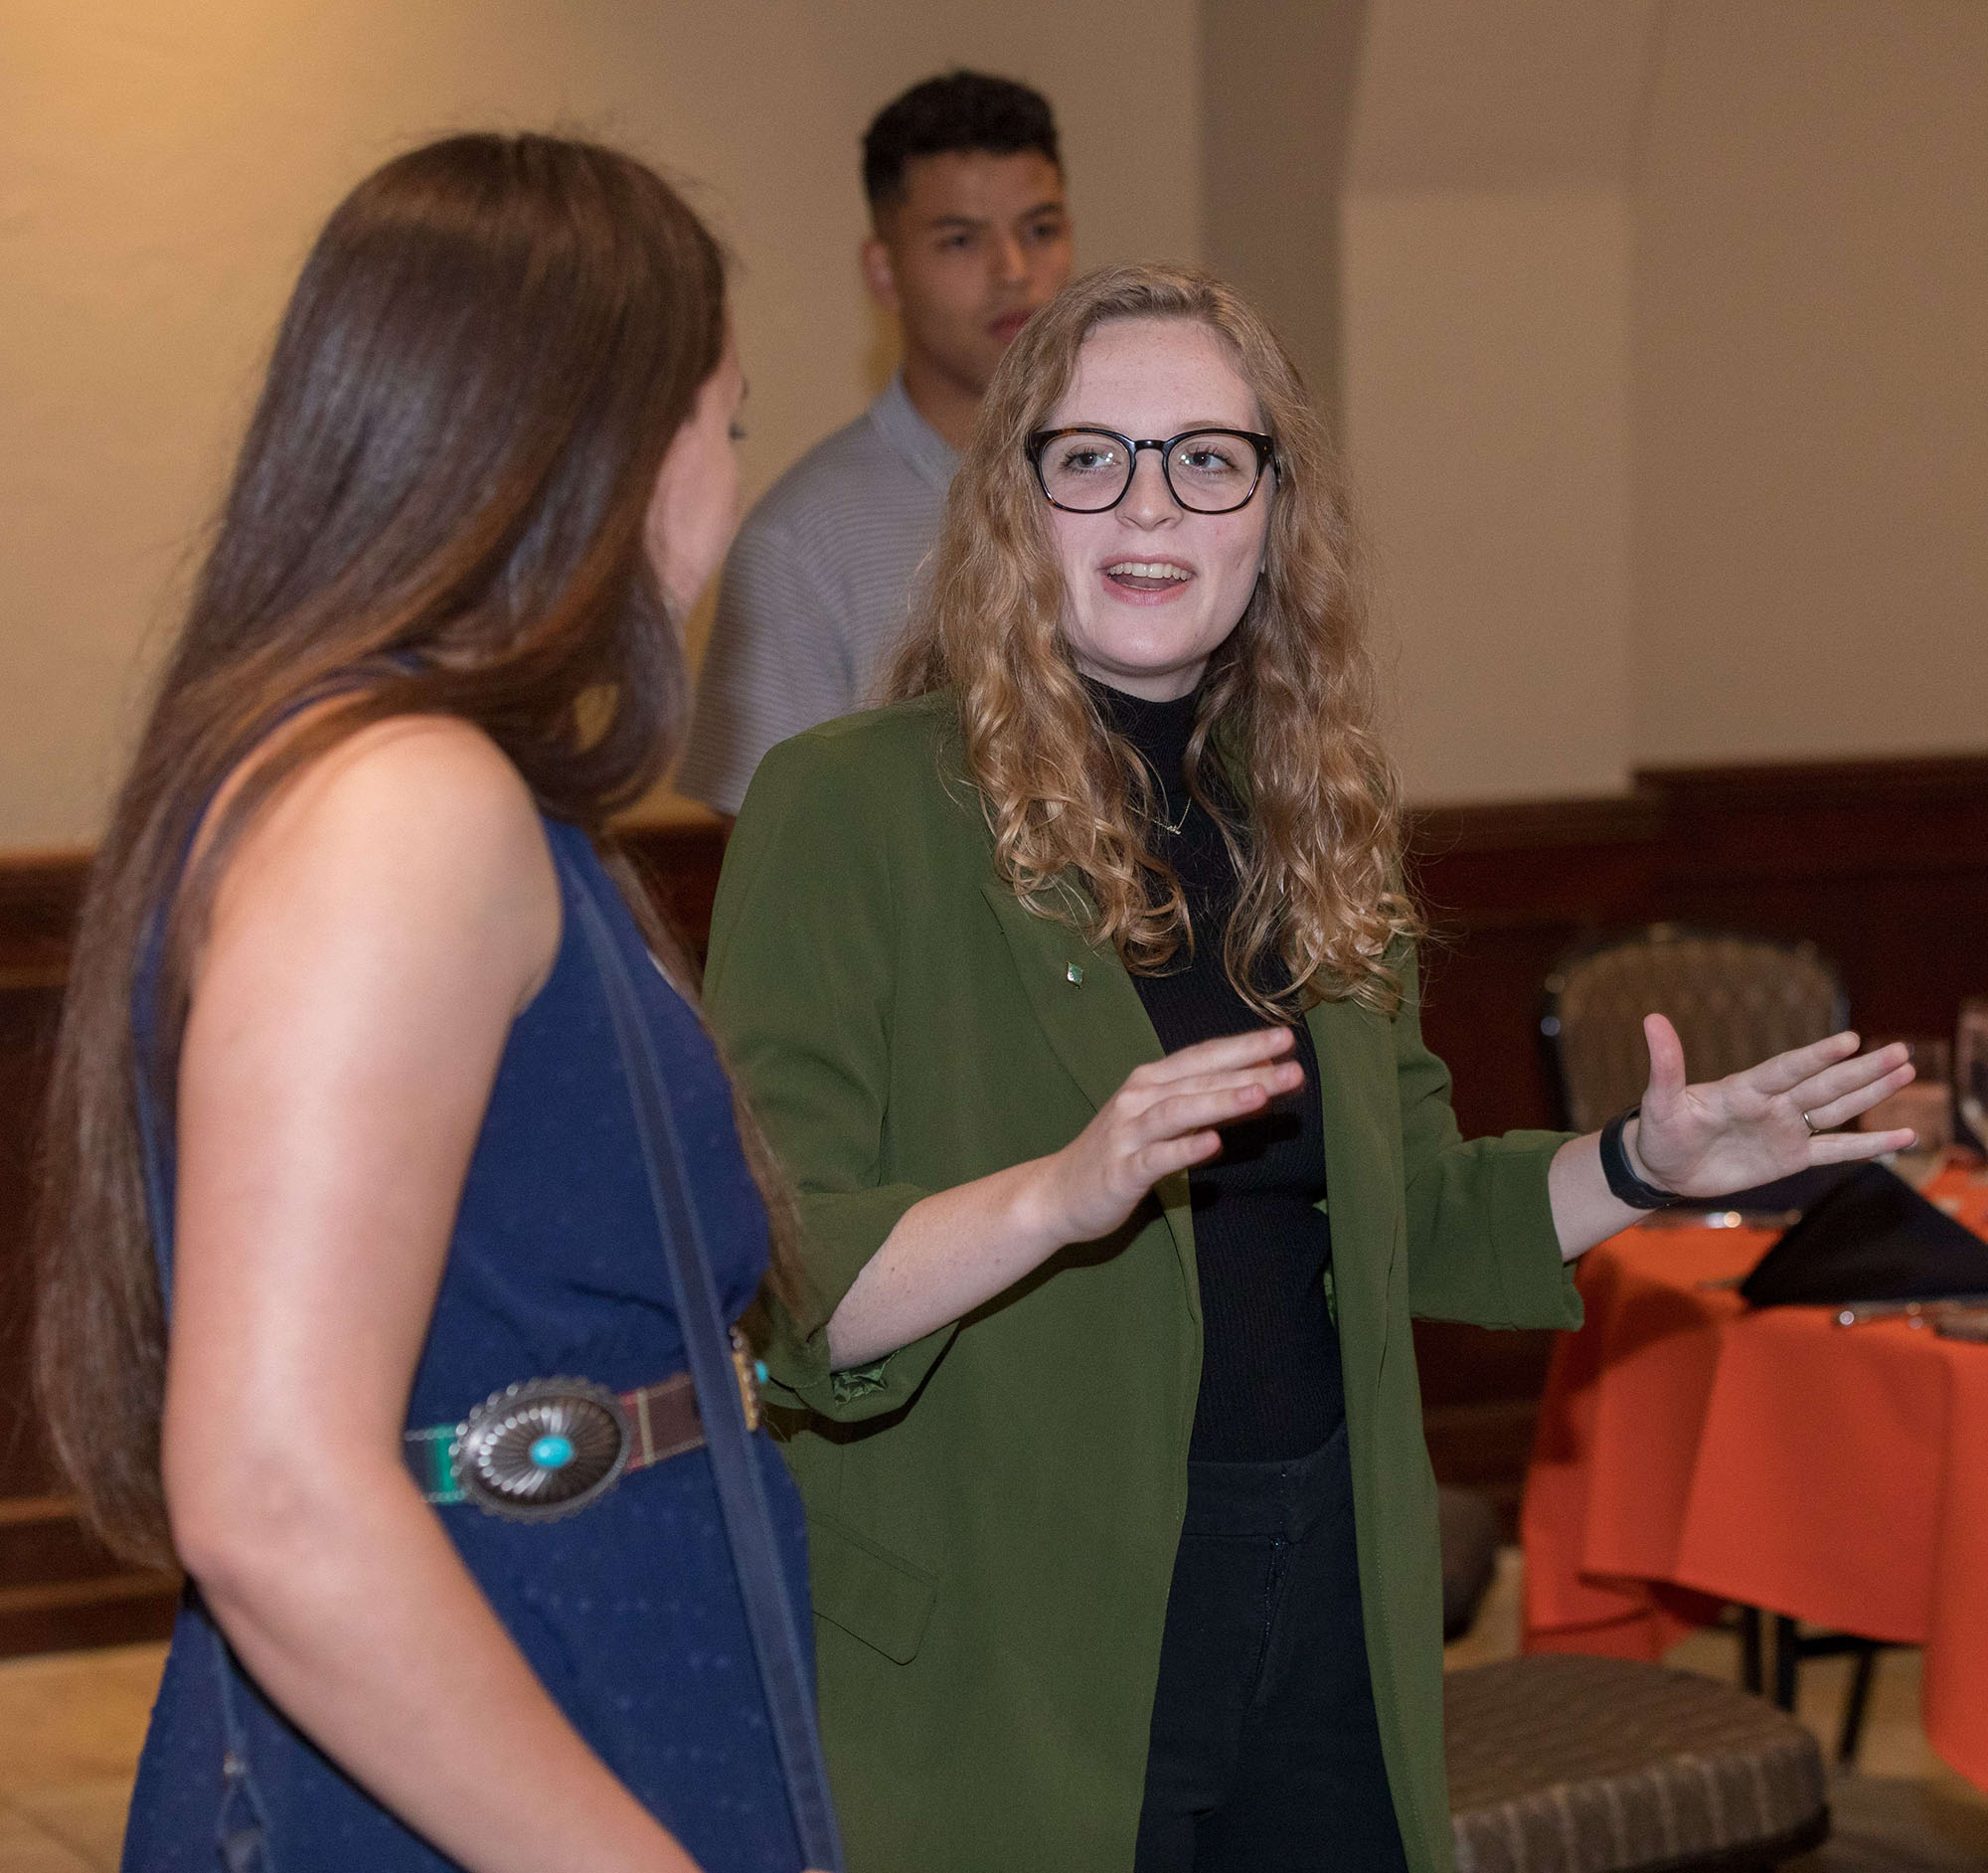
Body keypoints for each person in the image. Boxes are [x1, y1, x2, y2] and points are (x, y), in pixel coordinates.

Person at [702, 263, 1915, 1873]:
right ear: (1016, 500)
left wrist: (1640, 1163)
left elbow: (1414, 1198)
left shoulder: (1309, 819)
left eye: (1209, 457)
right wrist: (1065, 1191)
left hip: (1322, 1586)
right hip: (1015, 1633)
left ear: (1271, 512)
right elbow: (794, 1289)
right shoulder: (850, 804)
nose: (1153, 504)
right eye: (1092, 455)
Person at [33, 134, 832, 1873]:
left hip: (581, 1662)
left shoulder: (436, 784)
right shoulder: (407, 801)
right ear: (610, 443)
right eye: (730, 420)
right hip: (482, 1728)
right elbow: (269, 1491)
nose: (728, 482)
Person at [676, 70, 1075, 817]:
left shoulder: (1140, 488)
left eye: (1041, 230)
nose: (1014, 273)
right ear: (884, 272)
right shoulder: (799, 542)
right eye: (961, 240)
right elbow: (778, 869)